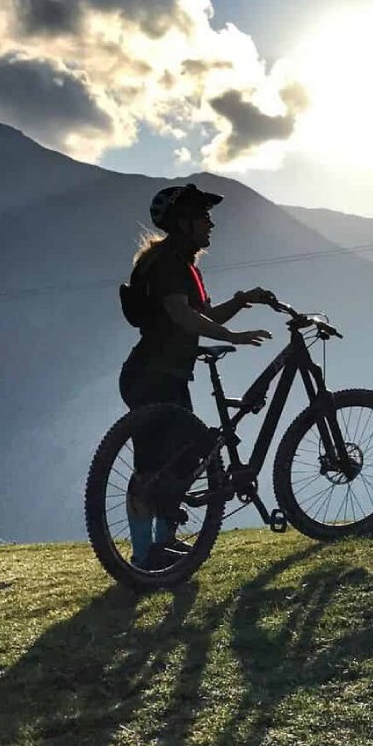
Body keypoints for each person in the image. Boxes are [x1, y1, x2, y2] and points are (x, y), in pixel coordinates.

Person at [119, 182, 274, 568]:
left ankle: (160, 546)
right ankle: (144, 556)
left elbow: (202, 315)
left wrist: (240, 301)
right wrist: (231, 336)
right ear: (184, 223)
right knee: (150, 469)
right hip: (154, 375)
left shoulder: (178, 263)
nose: (211, 225)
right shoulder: (169, 263)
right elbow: (183, 316)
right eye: (204, 218)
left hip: (163, 374)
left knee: (178, 462)